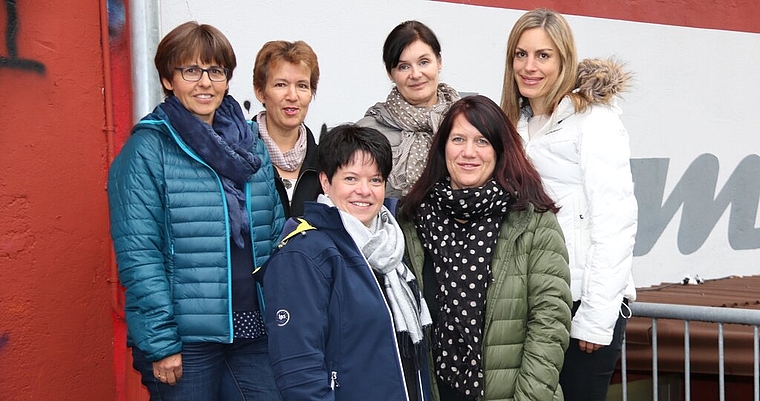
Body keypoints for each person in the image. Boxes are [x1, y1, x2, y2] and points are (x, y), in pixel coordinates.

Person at [107, 21, 284, 400]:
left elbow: (273, 233)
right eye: (191, 70)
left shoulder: (250, 144)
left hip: (253, 327)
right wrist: (161, 343)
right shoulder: (147, 150)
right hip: (186, 338)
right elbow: (140, 254)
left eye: (215, 71)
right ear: (169, 80)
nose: (205, 82)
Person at [500, 9, 638, 401]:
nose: (530, 66)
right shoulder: (514, 125)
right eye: (521, 55)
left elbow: (616, 223)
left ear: (564, 59)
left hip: (582, 303)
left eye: (543, 55)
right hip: (533, 302)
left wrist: (595, 319)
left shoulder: (594, 120)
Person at [399, 95, 572, 400]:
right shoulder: (413, 221)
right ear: (442, 147)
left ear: (500, 150)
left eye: (482, 141)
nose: (468, 152)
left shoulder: (532, 222)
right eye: (458, 139)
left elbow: (550, 325)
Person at [264, 124, 434, 400]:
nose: (364, 191)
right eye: (351, 179)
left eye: (376, 180)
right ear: (325, 182)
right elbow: (298, 368)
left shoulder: (390, 247)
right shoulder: (305, 254)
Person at [357, 20, 460, 198]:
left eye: (424, 62)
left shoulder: (467, 122)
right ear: (390, 73)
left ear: (439, 61)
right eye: (404, 66)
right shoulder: (368, 131)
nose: (416, 74)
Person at [253, 40, 322, 218]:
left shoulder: (325, 162)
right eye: (280, 84)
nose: (292, 96)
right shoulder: (239, 155)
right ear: (260, 91)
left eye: (302, 85)